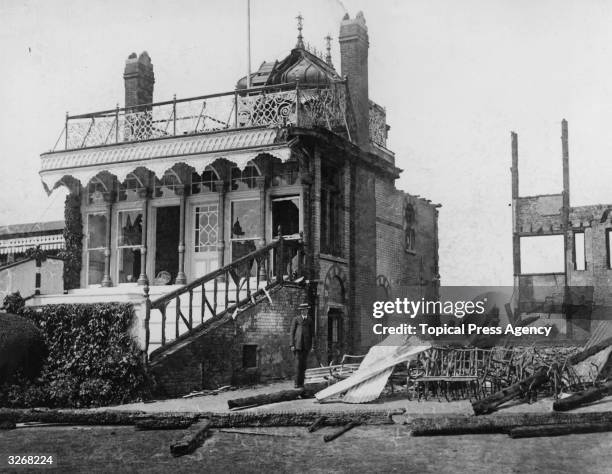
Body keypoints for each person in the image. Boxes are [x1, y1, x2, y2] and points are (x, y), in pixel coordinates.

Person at [289, 303, 314, 388]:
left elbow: (312, 334)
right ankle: (296, 383)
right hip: (298, 346)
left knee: (304, 366)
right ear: (301, 311)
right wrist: (292, 344)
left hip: (306, 346)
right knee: (298, 365)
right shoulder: (296, 319)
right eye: (302, 310)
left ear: (307, 310)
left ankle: (302, 384)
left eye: (306, 309)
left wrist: (312, 346)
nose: (304, 311)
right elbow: (292, 333)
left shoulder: (310, 320)